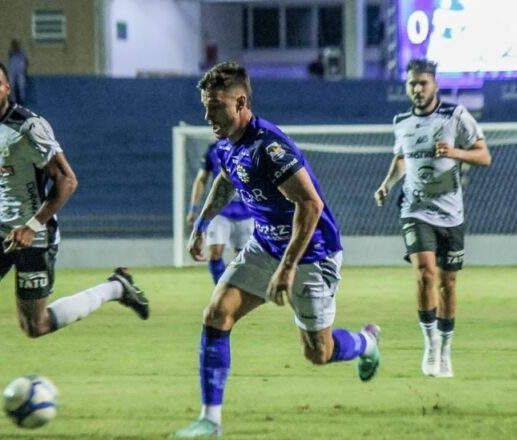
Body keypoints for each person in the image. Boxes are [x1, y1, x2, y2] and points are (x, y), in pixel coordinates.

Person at [172, 62, 381, 438]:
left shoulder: (268, 146)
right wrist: (202, 225)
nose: (208, 116)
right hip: (265, 245)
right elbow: (226, 181)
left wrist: (287, 268)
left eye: (215, 106)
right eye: (205, 106)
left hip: (312, 254)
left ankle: (367, 342)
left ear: (241, 102)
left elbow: (310, 205)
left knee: (318, 352)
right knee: (217, 314)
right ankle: (210, 421)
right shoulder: (226, 145)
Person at [0, 60, 150, 410]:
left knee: (34, 326)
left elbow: (67, 180)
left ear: (7, 87)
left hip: (34, 233)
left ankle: (116, 287)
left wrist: (31, 226)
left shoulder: (29, 127)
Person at [373, 58, 491, 378]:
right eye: (412, 83)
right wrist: (386, 185)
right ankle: (430, 344)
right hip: (414, 208)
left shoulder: (455, 116)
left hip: (450, 213)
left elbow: (484, 155)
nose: (418, 88)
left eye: (423, 83)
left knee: (448, 283)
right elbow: (401, 159)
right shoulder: (401, 121)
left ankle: (447, 350)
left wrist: (456, 153)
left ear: (434, 85)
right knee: (425, 274)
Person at [187, 140, 253, 284]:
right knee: (215, 252)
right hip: (220, 212)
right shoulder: (214, 149)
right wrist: (193, 209)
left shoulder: (252, 146)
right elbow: (201, 179)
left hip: (247, 212)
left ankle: (236, 293)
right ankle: (220, 288)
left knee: (243, 259)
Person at [7, 39, 29, 105]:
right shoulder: (11, 52)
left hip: (20, 72)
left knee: (21, 85)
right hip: (12, 72)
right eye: (14, 45)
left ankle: (22, 100)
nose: (16, 46)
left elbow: (26, 61)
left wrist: (25, 71)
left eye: (16, 45)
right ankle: (12, 100)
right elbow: (10, 61)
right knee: (11, 85)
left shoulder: (22, 52)